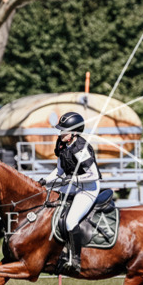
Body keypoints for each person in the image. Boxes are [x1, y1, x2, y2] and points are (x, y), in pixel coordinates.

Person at [39, 111, 102, 270]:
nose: (61, 133)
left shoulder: (80, 148)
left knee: (70, 221)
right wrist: (45, 180)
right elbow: (59, 171)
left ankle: (76, 259)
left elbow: (94, 175)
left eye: (64, 131)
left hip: (88, 189)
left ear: (74, 133)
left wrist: (74, 179)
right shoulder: (62, 144)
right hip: (72, 186)